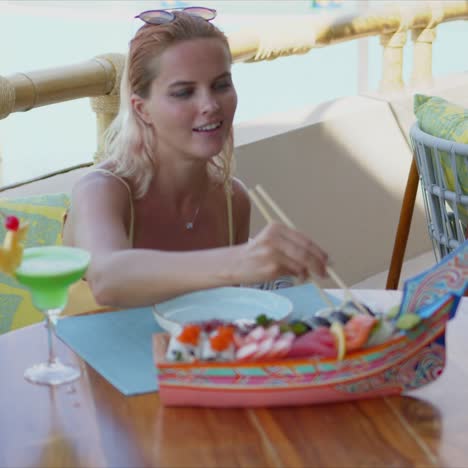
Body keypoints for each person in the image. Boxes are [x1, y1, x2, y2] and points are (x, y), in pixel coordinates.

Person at [62, 6, 329, 311]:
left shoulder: (232, 200)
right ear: (141, 109)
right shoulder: (101, 189)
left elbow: (222, 316)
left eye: (221, 85)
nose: (210, 105)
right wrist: (241, 260)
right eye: (183, 92)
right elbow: (108, 280)